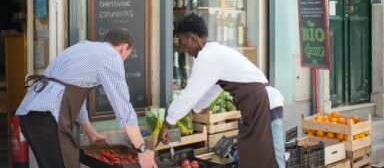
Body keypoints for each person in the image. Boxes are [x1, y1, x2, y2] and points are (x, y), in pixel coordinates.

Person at [15, 27, 157, 168]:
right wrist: (142, 149)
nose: (123, 61)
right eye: (126, 56)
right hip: (49, 117)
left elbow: (73, 95)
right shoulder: (112, 57)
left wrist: (91, 133)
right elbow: (123, 109)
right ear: (124, 47)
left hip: (29, 114)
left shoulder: (83, 46)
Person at [157, 14, 285, 168]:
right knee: (254, 161)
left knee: (270, 162)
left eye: (183, 43)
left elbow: (189, 94)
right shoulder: (214, 52)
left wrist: (167, 122)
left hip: (263, 107)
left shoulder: (207, 56)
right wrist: (195, 110)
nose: (184, 49)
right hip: (256, 109)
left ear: (192, 37)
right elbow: (212, 90)